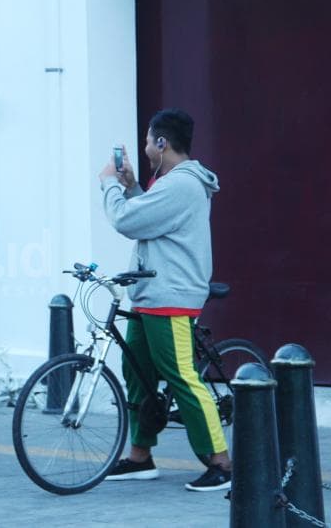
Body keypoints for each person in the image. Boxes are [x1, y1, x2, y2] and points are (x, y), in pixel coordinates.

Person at [98, 108, 230, 491]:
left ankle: (222, 463)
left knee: (182, 377)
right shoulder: (168, 184)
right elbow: (152, 219)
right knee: (137, 374)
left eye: (146, 141)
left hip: (170, 295)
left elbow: (127, 221)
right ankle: (141, 457)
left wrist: (108, 183)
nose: (143, 148)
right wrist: (133, 187)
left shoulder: (182, 184)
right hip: (149, 293)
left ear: (162, 142)